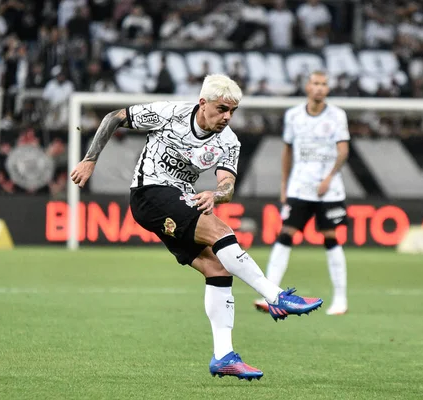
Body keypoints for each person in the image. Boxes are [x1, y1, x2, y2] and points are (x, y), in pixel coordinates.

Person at [70, 74, 324, 381]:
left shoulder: (229, 141)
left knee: (217, 267)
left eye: (232, 111)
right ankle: (276, 296)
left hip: (179, 199)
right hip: (148, 193)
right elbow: (114, 117)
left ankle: (223, 356)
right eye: (221, 109)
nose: (227, 117)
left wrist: (215, 194)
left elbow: (227, 186)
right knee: (219, 231)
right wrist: (89, 160)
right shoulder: (170, 112)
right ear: (203, 103)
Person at [254, 71, 350, 316]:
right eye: (316, 83)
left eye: (324, 84)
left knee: (330, 236)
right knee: (286, 233)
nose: (319, 88)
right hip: (300, 186)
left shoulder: (337, 116)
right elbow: (287, 151)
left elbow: (343, 150)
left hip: (329, 190)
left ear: (328, 89)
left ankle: (340, 298)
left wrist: (329, 177)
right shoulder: (294, 115)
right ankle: (270, 295)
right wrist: (284, 184)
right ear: (307, 87)